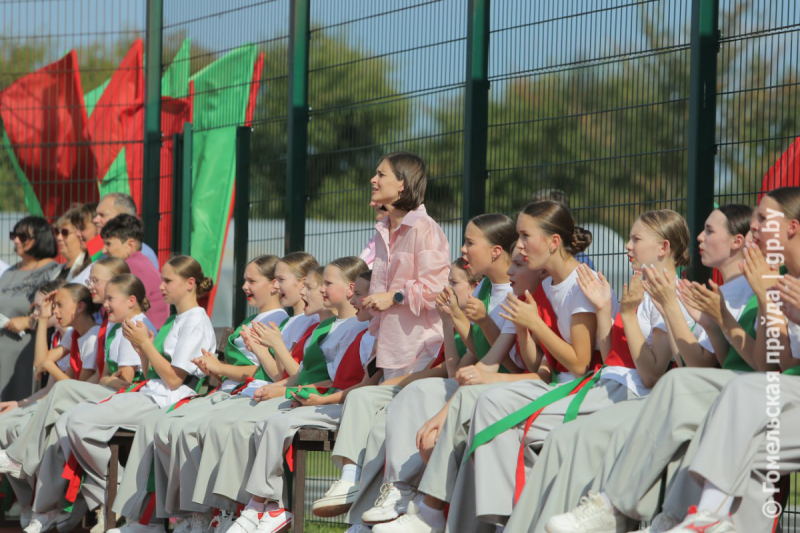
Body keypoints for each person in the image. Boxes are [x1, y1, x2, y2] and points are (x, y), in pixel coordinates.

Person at [545, 189, 798, 533]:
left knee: (695, 393)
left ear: (792, 228)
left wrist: (668, 310)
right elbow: (760, 361)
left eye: (763, 220)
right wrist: (719, 317)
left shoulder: (753, 285)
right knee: (573, 436)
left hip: (725, 392)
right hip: (729, 388)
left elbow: (660, 372)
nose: (754, 228)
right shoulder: (756, 284)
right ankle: (665, 517)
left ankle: (670, 514)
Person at [372, 200, 615, 533]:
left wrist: (532, 325)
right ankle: (426, 506)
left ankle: (439, 511)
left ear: (554, 242)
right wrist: (524, 326)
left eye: (526, 235)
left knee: (485, 404)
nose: (521, 245)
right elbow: (538, 364)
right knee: (464, 399)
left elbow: (580, 364)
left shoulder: (579, 284)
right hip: (553, 383)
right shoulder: (543, 286)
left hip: (580, 391)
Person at [110, 253, 321, 533]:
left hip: (253, 395)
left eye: (252, 280)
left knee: (196, 427)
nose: (245, 286)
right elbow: (270, 370)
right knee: (162, 426)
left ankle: (214, 514)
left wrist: (221, 365)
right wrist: (217, 368)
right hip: (237, 392)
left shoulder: (286, 319)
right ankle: (171, 518)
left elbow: (270, 373)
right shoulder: (284, 320)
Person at [58, 256, 216, 525]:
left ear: (190, 284)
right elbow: (153, 370)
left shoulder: (196, 320)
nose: (161, 286)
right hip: (151, 392)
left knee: (78, 422)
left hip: (168, 400)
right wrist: (142, 347)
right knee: (67, 420)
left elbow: (175, 380)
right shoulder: (175, 318)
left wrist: (146, 344)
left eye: (168, 280)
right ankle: (113, 492)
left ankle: (126, 505)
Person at [225, 260, 372, 533]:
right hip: (331, 399)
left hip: (343, 404)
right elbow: (321, 377)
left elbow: (358, 384)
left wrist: (308, 394)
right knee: (266, 423)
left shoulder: (358, 328)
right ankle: (261, 506)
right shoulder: (341, 328)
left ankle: (265, 505)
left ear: (351, 290)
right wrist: (294, 388)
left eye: (325, 284)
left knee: (274, 422)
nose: (315, 291)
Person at [14, 274, 152, 533]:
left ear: (131, 300)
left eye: (110, 297)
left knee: (65, 396)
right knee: (62, 424)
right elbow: (46, 364)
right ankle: (51, 506)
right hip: (109, 393)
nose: (104, 301)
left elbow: (124, 380)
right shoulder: (114, 327)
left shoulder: (130, 326)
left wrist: (108, 378)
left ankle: (104, 494)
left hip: (128, 398)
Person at [0, 216, 60, 401]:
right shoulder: (10, 271)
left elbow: (56, 309)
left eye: (23, 237)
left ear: (41, 238)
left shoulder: (52, 270)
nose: (16, 240)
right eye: (14, 235)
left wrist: (27, 321)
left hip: (26, 349)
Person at [101, 214, 169, 327]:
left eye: (109, 244)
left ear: (130, 245)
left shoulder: (133, 268)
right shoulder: (141, 263)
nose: (104, 250)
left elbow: (117, 309)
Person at [93, 193, 159, 268]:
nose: (95, 220)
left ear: (122, 217)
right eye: (96, 215)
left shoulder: (143, 254)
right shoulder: (96, 244)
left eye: (102, 215)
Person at [54, 205, 92, 282]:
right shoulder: (57, 269)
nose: (59, 237)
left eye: (65, 232)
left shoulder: (87, 266)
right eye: (57, 232)